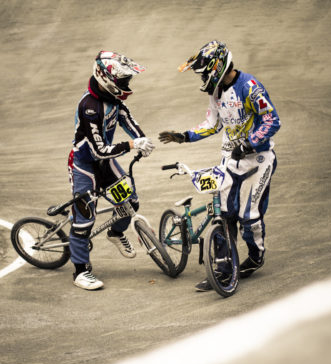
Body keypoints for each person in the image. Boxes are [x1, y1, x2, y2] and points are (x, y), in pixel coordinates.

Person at [159, 40, 280, 291]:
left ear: (216, 67)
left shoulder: (250, 87)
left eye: (203, 73)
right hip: (231, 160)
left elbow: (272, 121)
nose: (202, 78)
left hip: (258, 160)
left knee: (249, 216)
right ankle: (223, 270)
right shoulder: (216, 93)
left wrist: (249, 143)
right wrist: (184, 136)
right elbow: (213, 124)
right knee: (224, 214)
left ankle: (255, 257)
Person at [68, 50, 155, 290]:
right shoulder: (90, 107)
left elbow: (127, 120)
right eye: (123, 81)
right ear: (105, 78)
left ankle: (115, 233)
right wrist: (130, 144)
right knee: (84, 220)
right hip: (85, 166)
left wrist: (142, 139)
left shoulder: (113, 99)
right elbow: (99, 151)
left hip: (106, 164)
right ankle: (80, 272)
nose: (126, 85)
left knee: (130, 203)